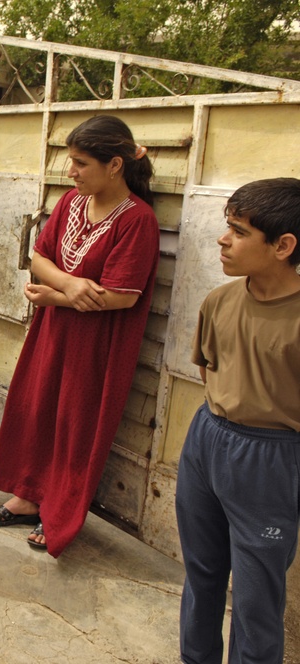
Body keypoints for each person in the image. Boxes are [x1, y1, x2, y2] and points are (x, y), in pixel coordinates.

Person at [0, 115, 159, 557]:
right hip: (52, 331)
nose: (71, 172)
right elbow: (38, 255)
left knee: (75, 424)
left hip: (96, 344)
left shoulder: (138, 220)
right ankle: (26, 496)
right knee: (37, 408)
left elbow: (121, 297)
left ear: (114, 164)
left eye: (80, 163)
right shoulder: (69, 203)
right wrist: (71, 284)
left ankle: (58, 510)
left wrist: (56, 296)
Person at [176, 178, 300, 664]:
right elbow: (209, 369)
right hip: (208, 438)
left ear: (284, 246)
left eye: (239, 231)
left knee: (255, 596)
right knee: (202, 575)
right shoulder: (220, 302)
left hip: (272, 456)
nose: (223, 239)